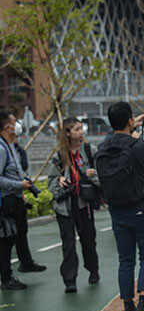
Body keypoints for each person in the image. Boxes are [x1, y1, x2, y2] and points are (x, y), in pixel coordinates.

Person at [97, 102, 144, 311]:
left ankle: (128, 309)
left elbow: (118, 135)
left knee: (125, 260)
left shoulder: (103, 147)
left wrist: (132, 123)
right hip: (140, 208)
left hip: (117, 211)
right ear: (130, 121)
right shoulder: (138, 146)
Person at [48, 117, 100, 293]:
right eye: (76, 129)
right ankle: (70, 280)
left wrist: (92, 175)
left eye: (81, 128)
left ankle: (93, 269)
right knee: (68, 242)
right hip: (65, 205)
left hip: (84, 203)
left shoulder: (89, 150)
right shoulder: (59, 155)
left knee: (88, 239)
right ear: (67, 133)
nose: (81, 132)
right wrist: (59, 179)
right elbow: (51, 181)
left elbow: (103, 175)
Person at [0, 110, 45, 290]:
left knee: (16, 236)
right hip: (6, 201)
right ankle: (6, 278)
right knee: (6, 240)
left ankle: (18, 268)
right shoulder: (1, 148)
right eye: (14, 121)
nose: (17, 124)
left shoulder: (10, 146)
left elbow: (15, 171)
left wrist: (23, 190)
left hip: (16, 199)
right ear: (6, 127)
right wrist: (19, 186)